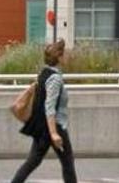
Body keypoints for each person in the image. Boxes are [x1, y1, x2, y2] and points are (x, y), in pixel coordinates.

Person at [12, 39, 76, 183]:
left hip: (43, 127)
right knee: (67, 163)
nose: (67, 57)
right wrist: (54, 133)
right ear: (59, 57)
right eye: (64, 54)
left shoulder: (44, 73)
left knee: (33, 161)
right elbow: (49, 106)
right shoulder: (55, 79)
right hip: (55, 127)